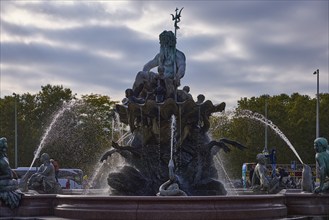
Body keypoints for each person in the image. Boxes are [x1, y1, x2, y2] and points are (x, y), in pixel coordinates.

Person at [132, 30, 186, 99]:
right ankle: (134, 97)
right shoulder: (160, 56)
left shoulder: (178, 55)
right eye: (162, 44)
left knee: (165, 80)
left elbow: (182, 67)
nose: (163, 46)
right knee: (140, 74)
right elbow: (147, 66)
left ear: (170, 43)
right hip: (158, 78)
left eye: (165, 44)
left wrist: (177, 77)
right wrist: (146, 78)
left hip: (169, 80)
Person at [0, 137, 22, 208]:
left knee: (14, 182)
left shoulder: (3, 161)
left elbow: (9, 175)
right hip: (6, 181)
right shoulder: (4, 159)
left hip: (5, 181)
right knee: (14, 182)